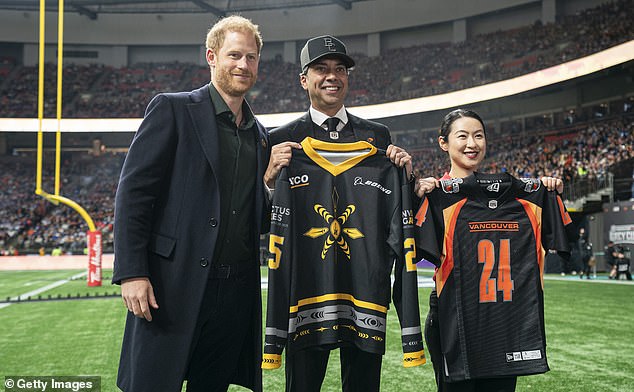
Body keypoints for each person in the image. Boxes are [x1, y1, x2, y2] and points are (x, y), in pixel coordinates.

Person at [113, 16, 274, 392]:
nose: (243, 65)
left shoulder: (259, 134)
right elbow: (134, 193)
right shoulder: (172, 109)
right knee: (153, 383)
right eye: (235, 55)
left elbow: (257, 221)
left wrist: (269, 187)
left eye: (251, 58)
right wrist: (133, 272)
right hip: (172, 285)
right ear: (212, 56)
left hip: (234, 293)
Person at [263, 35, 419, 392]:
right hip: (306, 291)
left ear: (348, 77)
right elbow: (264, 221)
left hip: (363, 290)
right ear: (304, 79)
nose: (332, 76)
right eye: (321, 69)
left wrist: (407, 175)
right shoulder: (280, 139)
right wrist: (270, 182)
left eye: (340, 69)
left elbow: (394, 208)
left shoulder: (377, 136)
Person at [414, 109, 566, 392]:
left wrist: (547, 188)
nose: (472, 143)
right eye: (463, 136)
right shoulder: (434, 195)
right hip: (454, 317)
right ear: (443, 143)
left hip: (506, 318)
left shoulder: (524, 195)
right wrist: (418, 196)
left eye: (479, 135)